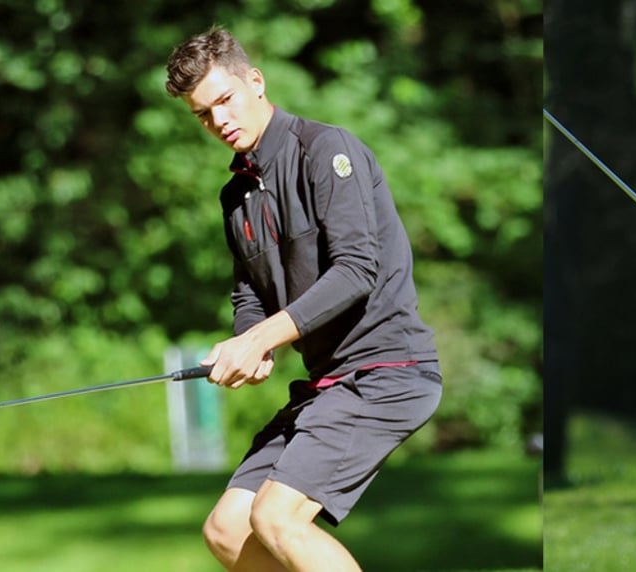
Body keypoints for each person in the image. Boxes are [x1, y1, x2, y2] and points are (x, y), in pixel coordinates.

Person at [164, 27, 442, 572]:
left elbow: (359, 268)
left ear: (256, 81)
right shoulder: (237, 194)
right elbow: (250, 288)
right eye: (203, 114)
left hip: (385, 372)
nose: (219, 121)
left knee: (277, 519)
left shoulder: (325, 149)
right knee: (226, 531)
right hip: (325, 385)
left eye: (225, 100)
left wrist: (266, 336)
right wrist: (252, 343)